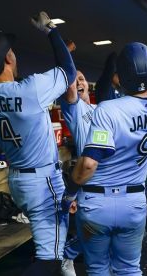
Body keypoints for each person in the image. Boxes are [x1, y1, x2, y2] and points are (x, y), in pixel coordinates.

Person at [71, 0, 147, 274]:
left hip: (97, 203)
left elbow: (90, 164)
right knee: (129, 269)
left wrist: (71, 190)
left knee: (98, 269)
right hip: (133, 203)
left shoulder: (108, 109)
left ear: (121, 77)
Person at [0, 11, 77, 275]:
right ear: (7, 58)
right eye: (11, 51)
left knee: (56, 243)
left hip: (17, 180)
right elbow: (69, 72)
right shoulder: (30, 89)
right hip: (43, 182)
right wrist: (52, 30)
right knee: (49, 259)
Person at [60, 69, 96, 275]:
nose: (78, 82)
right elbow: (70, 89)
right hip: (87, 177)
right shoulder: (74, 109)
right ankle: (68, 254)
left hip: (108, 177)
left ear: (89, 85)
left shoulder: (101, 109)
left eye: (82, 78)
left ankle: (71, 253)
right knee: (91, 231)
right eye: (74, 80)